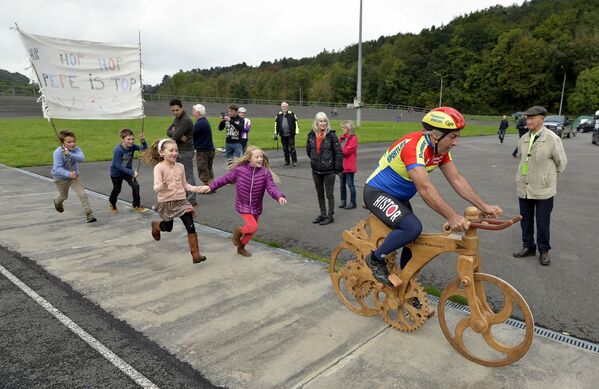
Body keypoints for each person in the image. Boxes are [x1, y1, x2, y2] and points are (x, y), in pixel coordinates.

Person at [363, 107, 502, 288]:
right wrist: (452, 216)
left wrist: (484, 206)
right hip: (377, 193)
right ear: (435, 135)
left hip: (398, 197)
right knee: (412, 228)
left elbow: (457, 179)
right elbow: (425, 188)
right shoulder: (413, 147)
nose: (456, 143)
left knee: (412, 239)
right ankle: (375, 258)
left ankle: (406, 281)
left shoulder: (439, 151)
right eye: (452, 137)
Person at [200, 146, 287, 257]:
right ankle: (238, 231)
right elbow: (224, 179)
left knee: (251, 231)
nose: (260, 159)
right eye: (257, 157)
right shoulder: (240, 170)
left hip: (256, 206)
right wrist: (211, 187)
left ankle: (241, 248)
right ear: (249, 158)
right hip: (243, 205)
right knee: (253, 227)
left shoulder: (265, 173)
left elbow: (271, 188)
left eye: (261, 157)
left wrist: (279, 196)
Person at [513, 106, 567, 266]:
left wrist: (548, 179)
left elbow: (561, 163)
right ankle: (528, 246)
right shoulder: (523, 139)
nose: (527, 121)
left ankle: (544, 250)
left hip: (544, 190)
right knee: (525, 220)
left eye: (531, 118)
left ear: (542, 119)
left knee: (543, 222)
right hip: (524, 187)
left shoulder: (552, 139)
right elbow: (522, 159)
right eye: (527, 118)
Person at [144, 139, 207, 264]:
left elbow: (185, 185)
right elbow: (156, 187)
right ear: (162, 153)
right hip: (166, 203)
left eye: (176, 150)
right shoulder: (159, 168)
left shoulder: (180, 166)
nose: (174, 153)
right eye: (171, 150)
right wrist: (161, 186)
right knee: (168, 228)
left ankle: (196, 254)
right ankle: (156, 226)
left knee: (190, 225)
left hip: (181, 202)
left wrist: (199, 189)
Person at [51, 130, 97, 223]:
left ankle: (89, 214)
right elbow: (57, 169)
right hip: (61, 178)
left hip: (74, 177)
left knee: (82, 194)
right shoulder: (58, 153)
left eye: (73, 141)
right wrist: (68, 174)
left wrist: (70, 155)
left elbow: (82, 158)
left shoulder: (77, 149)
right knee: (63, 196)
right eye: (69, 142)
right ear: (62, 143)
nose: (72, 144)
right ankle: (57, 202)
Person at [306, 112, 343, 225]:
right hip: (316, 169)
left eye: (324, 121)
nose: (323, 123)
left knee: (329, 194)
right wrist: (314, 160)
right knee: (320, 193)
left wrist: (337, 169)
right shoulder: (311, 135)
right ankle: (322, 214)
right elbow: (309, 151)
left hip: (329, 170)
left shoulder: (331, 135)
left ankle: (330, 215)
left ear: (327, 122)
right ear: (316, 122)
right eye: (320, 121)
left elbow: (338, 153)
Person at [108, 128, 148, 213]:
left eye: (133, 139)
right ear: (122, 139)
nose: (131, 141)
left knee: (135, 186)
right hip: (116, 173)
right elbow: (117, 165)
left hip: (127, 172)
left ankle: (136, 205)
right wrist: (132, 172)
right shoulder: (118, 150)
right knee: (117, 190)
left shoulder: (132, 147)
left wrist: (143, 141)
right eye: (128, 139)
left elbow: (144, 149)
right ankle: (112, 203)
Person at [167, 99, 197, 206]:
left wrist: (176, 133)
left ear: (182, 108)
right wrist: (177, 133)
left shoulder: (186, 120)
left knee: (188, 175)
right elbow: (168, 131)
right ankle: (184, 196)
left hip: (186, 151)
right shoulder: (176, 119)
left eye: (177, 110)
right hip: (179, 150)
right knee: (179, 175)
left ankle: (192, 199)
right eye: (173, 111)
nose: (175, 112)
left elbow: (174, 136)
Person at [191, 104, 215, 186]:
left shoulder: (199, 123)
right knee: (209, 168)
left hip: (203, 151)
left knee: (202, 168)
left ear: (198, 113)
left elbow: (190, 134)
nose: (193, 113)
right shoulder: (205, 121)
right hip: (209, 149)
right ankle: (212, 185)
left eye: (193, 111)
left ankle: (207, 186)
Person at [338, 120, 358, 210]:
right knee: (342, 185)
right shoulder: (342, 138)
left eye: (344, 127)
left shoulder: (353, 139)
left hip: (349, 166)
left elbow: (346, 151)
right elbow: (335, 147)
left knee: (350, 185)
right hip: (341, 166)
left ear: (348, 128)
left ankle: (353, 202)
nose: (342, 129)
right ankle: (343, 201)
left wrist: (339, 149)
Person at [274, 102, 300, 166]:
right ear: (281, 107)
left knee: (292, 148)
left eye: (285, 106)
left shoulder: (292, 114)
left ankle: (294, 161)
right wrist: (275, 133)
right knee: (285, 148)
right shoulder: (278, 115)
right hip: (283, 135)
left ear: (287, 107)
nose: (284, 107)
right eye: (283, 106)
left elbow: (296, 124)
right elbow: (276, 125)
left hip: (291, 134)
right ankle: (287, 161)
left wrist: (296, 132)